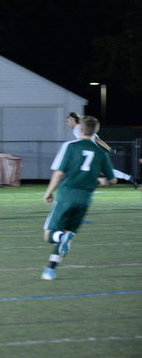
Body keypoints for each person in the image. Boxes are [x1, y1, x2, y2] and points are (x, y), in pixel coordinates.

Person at [42, 115, 116, 280]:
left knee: (50, 235)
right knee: (68, 234)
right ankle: (50, 270)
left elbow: (59, 173)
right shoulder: (101, 152)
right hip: (84, 201)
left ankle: (60, 239)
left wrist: (49, 191)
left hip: (65, 197)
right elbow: (112, 180)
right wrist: (100, 181)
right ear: (95, 131)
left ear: (80, 129)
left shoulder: (71, 146)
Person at [66, 112, 137, 188]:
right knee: (103, 170)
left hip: (89, 153)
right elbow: (98, 140)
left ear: (72, 120)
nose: (67, 123)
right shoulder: (84, 126)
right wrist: (109, 149)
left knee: (83, 168)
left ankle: (96, 182)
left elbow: (83, 142)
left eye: (68, 121)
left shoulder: (77, 129)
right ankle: (128, 177)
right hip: (95, 152)